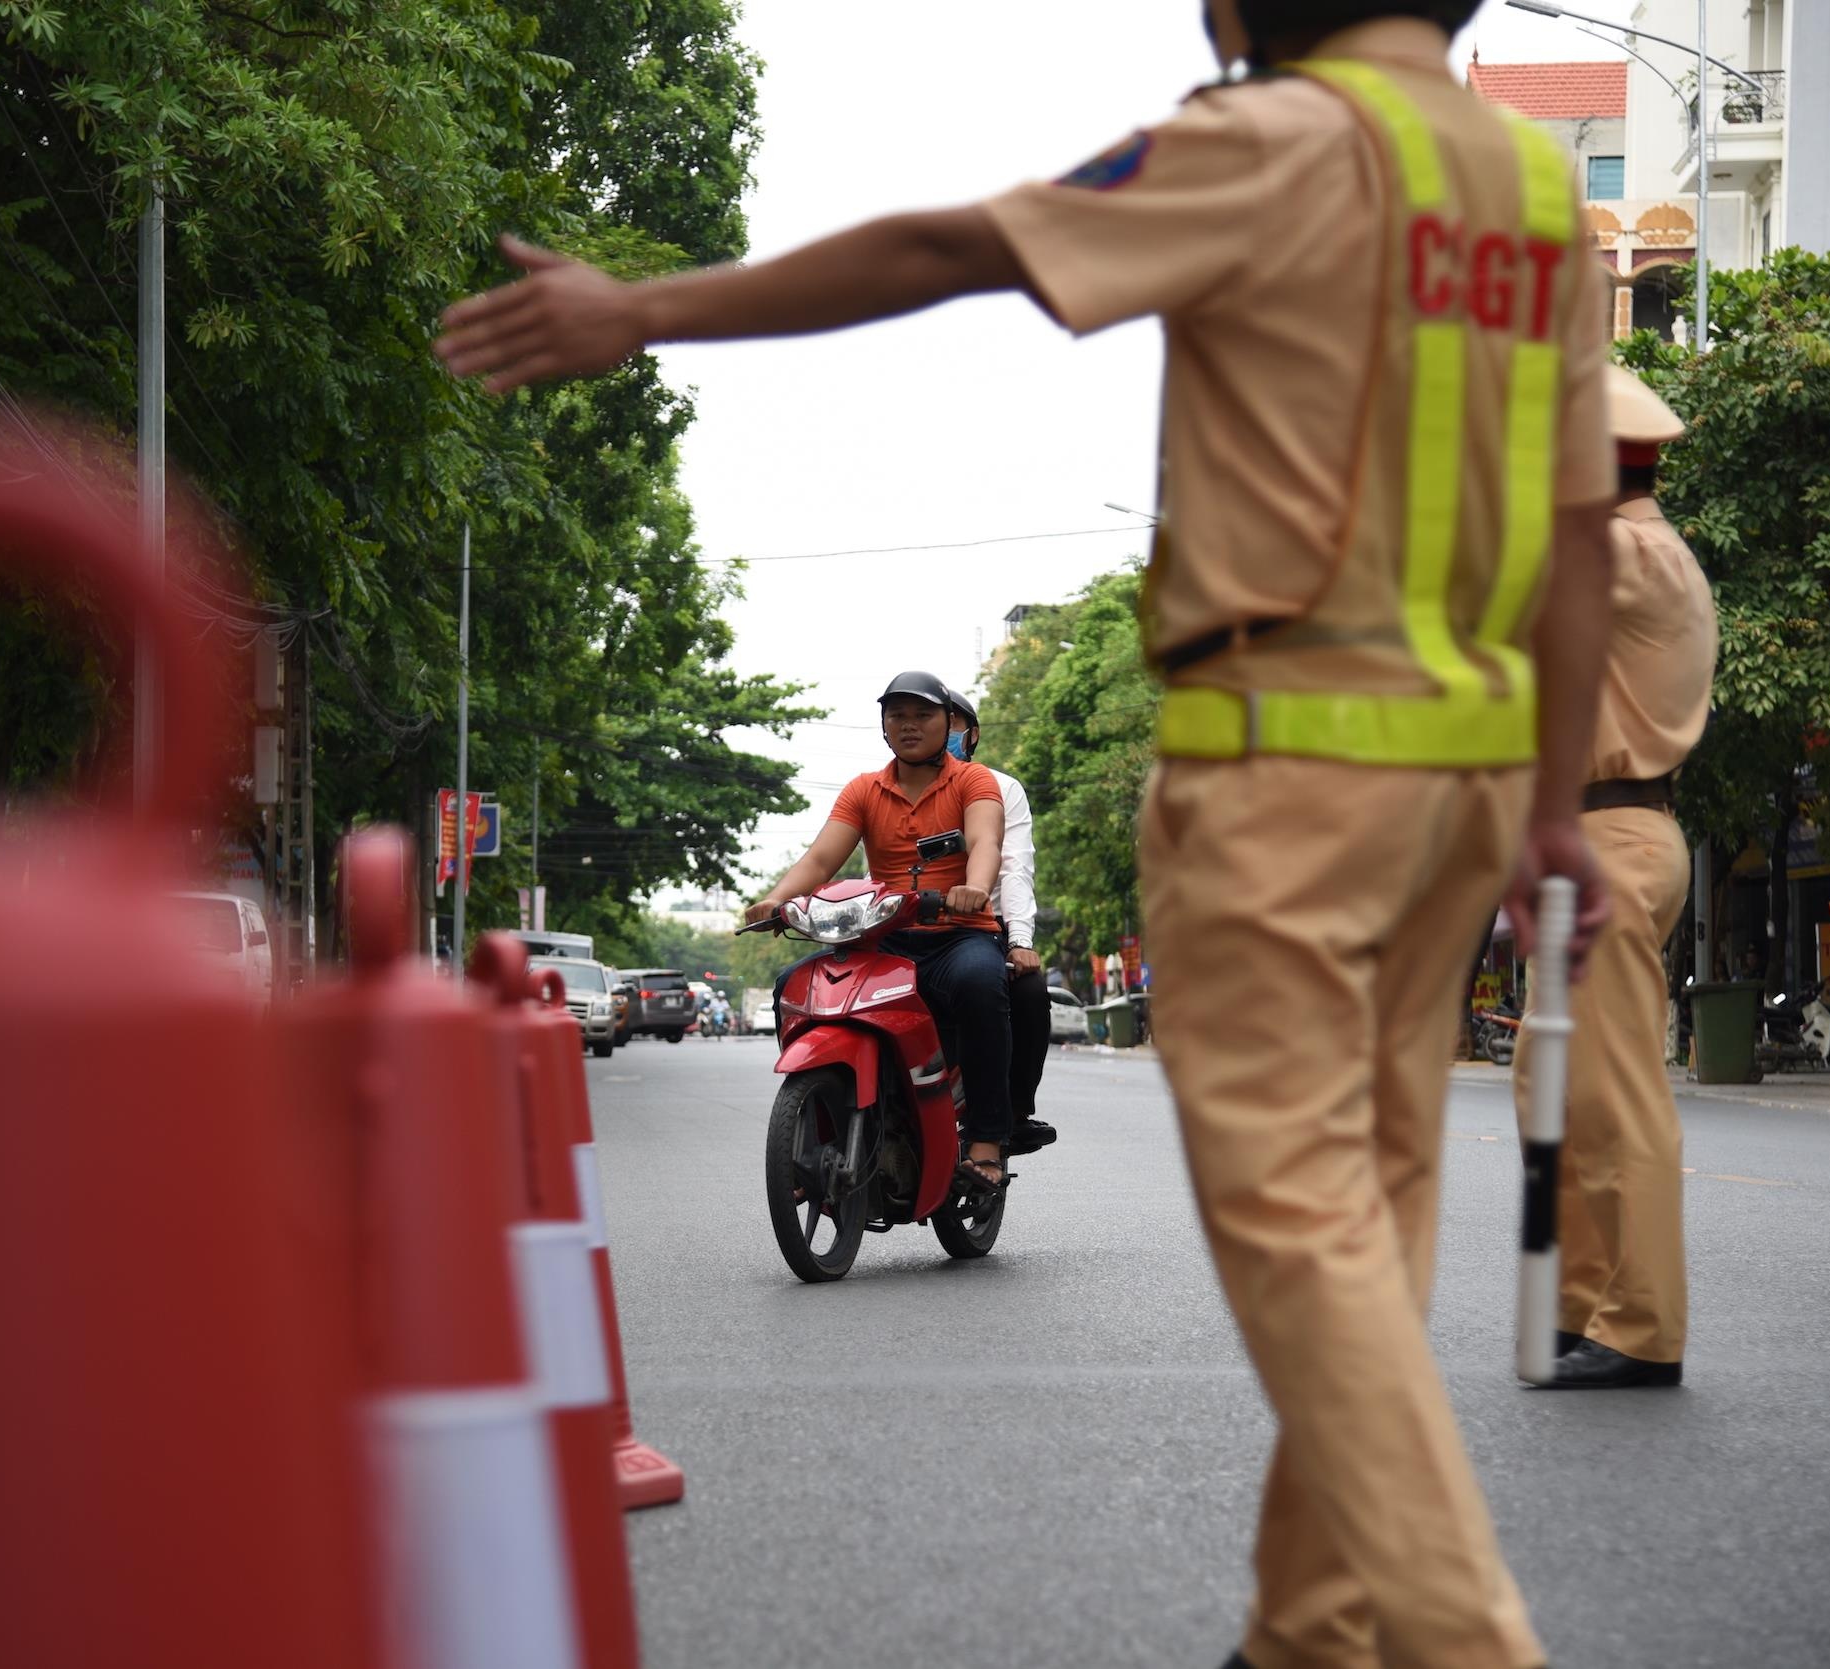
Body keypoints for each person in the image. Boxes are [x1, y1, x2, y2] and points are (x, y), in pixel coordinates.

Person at [431, 2, 1617, 1661]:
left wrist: (643, 310)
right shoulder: (1534, 194)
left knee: (1295, 1220)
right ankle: (1315, 1625)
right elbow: (1579, 530)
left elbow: (957, 241)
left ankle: (1457, 1636)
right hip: (1470, 780)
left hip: (1289, 763)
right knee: (1370, 1224)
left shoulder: (1267, 139)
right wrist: (1554, 803)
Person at [1513, 367, 1716, 1392]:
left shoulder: (1617, 551)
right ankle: (1580, 1305)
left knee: (1613, 1091)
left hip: (1609, 836)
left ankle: (1641, 1326)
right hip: (1606, 833)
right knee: (1562, 1089)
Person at [755, 672, 1015, 1195]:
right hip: (885, 937)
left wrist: (975, 887)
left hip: (957, 934)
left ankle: (987, 1138)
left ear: (948, 723)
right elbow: (822, 858)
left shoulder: (974, 780)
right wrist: (776, 900)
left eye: (922, 715)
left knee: (981, 986)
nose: (909, 725)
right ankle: (819, 1131)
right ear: (883, 726)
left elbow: (986, 841)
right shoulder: (863, 790)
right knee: (793, 985)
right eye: (897, 715)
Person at [944, 693, 1057, 1154]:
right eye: (904, 718)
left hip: (978, 928)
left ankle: (1009, 1114)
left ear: (971, 734)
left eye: (946, 723)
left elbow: (1013, 870)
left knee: (1027, 992)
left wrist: (1019, 940)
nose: (928, 731)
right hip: (903, 929)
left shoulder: (997, 788)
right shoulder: (878, 788)